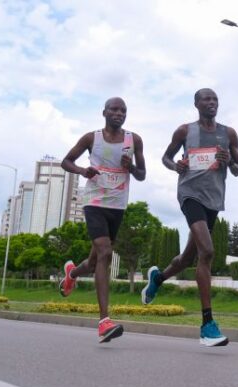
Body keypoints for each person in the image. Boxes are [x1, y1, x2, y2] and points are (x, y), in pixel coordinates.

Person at [141, 88, 238, 346]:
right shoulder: (185, 131)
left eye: (215, 99)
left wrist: (229, 159)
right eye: (206, 99)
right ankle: (207, 325)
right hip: (190, 194)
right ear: (196, 104)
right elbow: (166, 157)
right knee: (206, 252)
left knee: (188, 257)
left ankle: (158, 278)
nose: (211, 103)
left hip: (213, 198)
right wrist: (176, 165)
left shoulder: (228, 133)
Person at [59, 97, 146, 343]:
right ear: (104, 112)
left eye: (123, 111)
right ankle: (104, 321)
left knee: (96, 259)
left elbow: (142, 175)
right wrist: (82, 171)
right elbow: (66, 161)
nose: (119, 114)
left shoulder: (134, 140)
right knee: (105, 253)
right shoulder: (91, 138)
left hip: (117, 205)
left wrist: (130, 167)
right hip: (94, 201)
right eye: (114, 109)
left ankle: (72, 273)